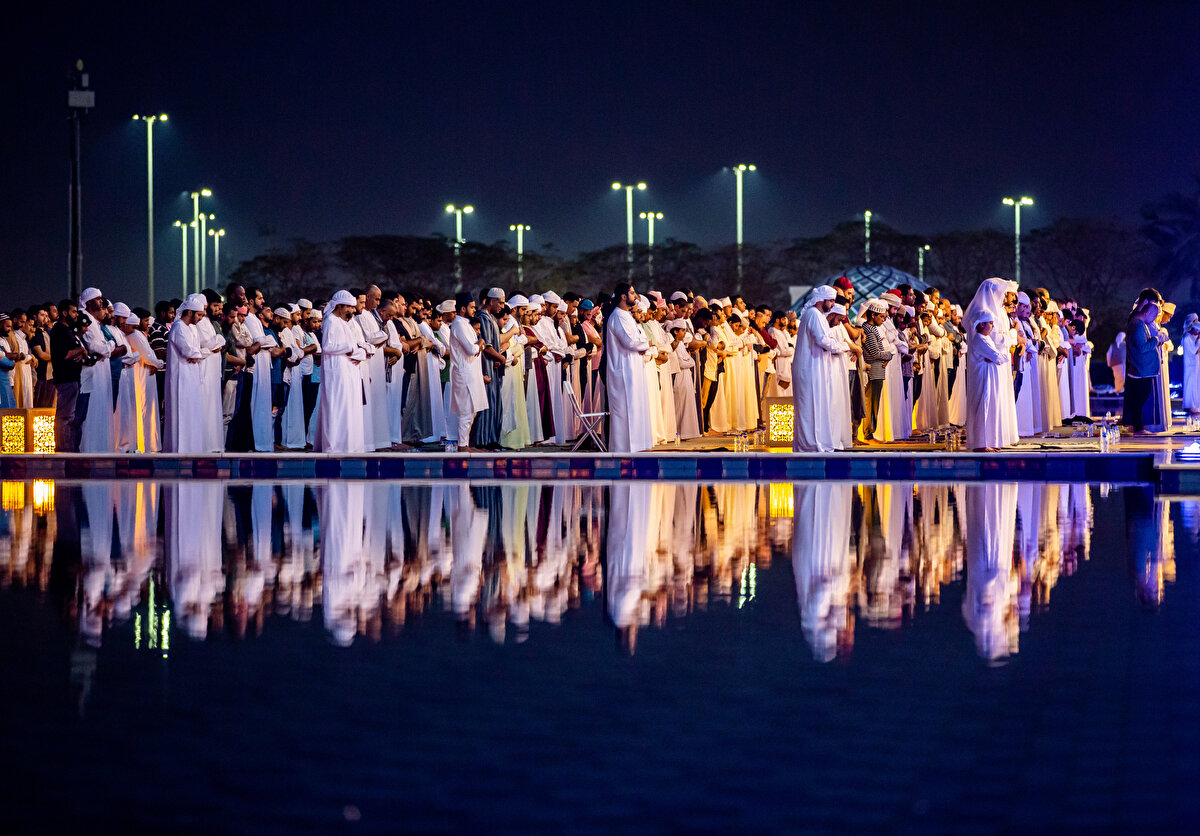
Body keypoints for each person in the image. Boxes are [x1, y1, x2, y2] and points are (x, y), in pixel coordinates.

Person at [793, 286, 857, 452]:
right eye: (832, 300)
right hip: (809, 369)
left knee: (817, 406)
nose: (833, 304)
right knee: (810, 407)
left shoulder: (816, 315)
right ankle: (811, 445)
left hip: (815, 368)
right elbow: (824, 341)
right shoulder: (813, 314)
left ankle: (817, 443)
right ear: (822, 300)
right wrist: (846, 346)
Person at [313, 291, 367, 453]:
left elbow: (354, 346)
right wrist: (349, 349)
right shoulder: (331, 321)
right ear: (340, 306)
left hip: (348, 372)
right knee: (335, 409)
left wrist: (361, 353)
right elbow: (328, 347)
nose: (352, 310)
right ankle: (333, 447)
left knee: (347, 409)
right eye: (349, 307)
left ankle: (348, 445)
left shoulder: (343, 323)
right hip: (335, 372)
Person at [605, 283, 654, 453]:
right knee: (625, 412)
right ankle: (624, 449)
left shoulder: (625, 316)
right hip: (623, 372)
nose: (635, 295)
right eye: (632, 293)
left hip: (632, 369)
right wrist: (646, 344)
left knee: (634, 409)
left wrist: (643, 345)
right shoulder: (618, 316)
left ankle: (637, 446)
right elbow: (630, 341)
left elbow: (637, 338)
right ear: (623, 297)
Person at [163, 295, 210, 453]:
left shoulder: (192, 328)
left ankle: (191, 448)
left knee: (191, 413)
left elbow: (194, 352)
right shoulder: (178, 327)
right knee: (180, 414)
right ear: (189, 312)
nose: (200, 319)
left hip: (191, 377)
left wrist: (198, 354)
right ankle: (178, 450)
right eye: (199, 315)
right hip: (180, 378)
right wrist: (203, 352)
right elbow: (188, 351)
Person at [116, 309, 164, 453]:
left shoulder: (137, 334)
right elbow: (147, 355)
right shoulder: (135, 335)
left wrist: (155, 363)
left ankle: (150, 445)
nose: (148, 324)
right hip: (142, 375)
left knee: (148, 409)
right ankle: (148, 445)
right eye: (145, 321)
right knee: (145, 409)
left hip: (145, 374)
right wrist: (158, 364)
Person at [964, 311, 1010, 452]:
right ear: (982, 324)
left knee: (989, 408)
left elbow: (999, 356)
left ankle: (988, 440)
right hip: (982, 378)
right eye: (990, 323)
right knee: (982, 408)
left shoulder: (985, 338)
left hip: (988, 377)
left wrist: (1000, 357)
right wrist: (1000, 357)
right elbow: (997, 357)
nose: (992, 326)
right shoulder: (979, 339)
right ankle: (980, 444)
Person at [448, 292, 488, 449]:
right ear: (463, 309)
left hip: (471, 373)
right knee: (466, 411)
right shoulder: (458, 324)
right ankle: (462, 446)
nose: (474, 309)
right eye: (471, 307)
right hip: (464, 374)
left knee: (472, 412)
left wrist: (480, 344)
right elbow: (471, 349)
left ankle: (464, 444)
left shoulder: (465, 323)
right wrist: (481, 343)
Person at [50, 302, 88, 451]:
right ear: (64, 313)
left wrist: (79, 351)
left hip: (73, 379)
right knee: (64, 418)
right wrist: (80, 350)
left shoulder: (68, 330)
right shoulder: (59, 330)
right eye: (73, 312)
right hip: (66, 380)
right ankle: (62, 451)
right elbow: (64, 354)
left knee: (71, 418)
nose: (76, 315)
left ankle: (70, 451)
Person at [1123, 298, 1163, 435]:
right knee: (1139, 398)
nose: (1153, 320)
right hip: (1141, 370)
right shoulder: (1137, 324)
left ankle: (1139, 427)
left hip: (1144, 370)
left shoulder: (1140, 323)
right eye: (1153, 317)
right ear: (1149, 313)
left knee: (1141, 398)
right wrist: (1156, 340)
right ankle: (1138, 428)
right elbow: (1142, 347)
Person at [859, 299, 892, 440]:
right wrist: (889, 354)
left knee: (874, 404)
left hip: (877, 371)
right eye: (881, 317)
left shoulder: (872, 329)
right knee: (871, 403)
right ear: (873, 315)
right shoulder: (869, 329)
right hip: (874, 372)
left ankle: (870, 432)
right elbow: (875, 353)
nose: (884, 320)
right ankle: (868, 433)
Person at [1182, 316, 1200, 418]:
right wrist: (1199, 339)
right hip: (1190, 365)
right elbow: (1195, 351)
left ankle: (1195, 405)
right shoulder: (1187, 337)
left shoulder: (1191, 337)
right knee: (1191, 384)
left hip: (1195, 365)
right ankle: (1190, 406)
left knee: (1195, 384)